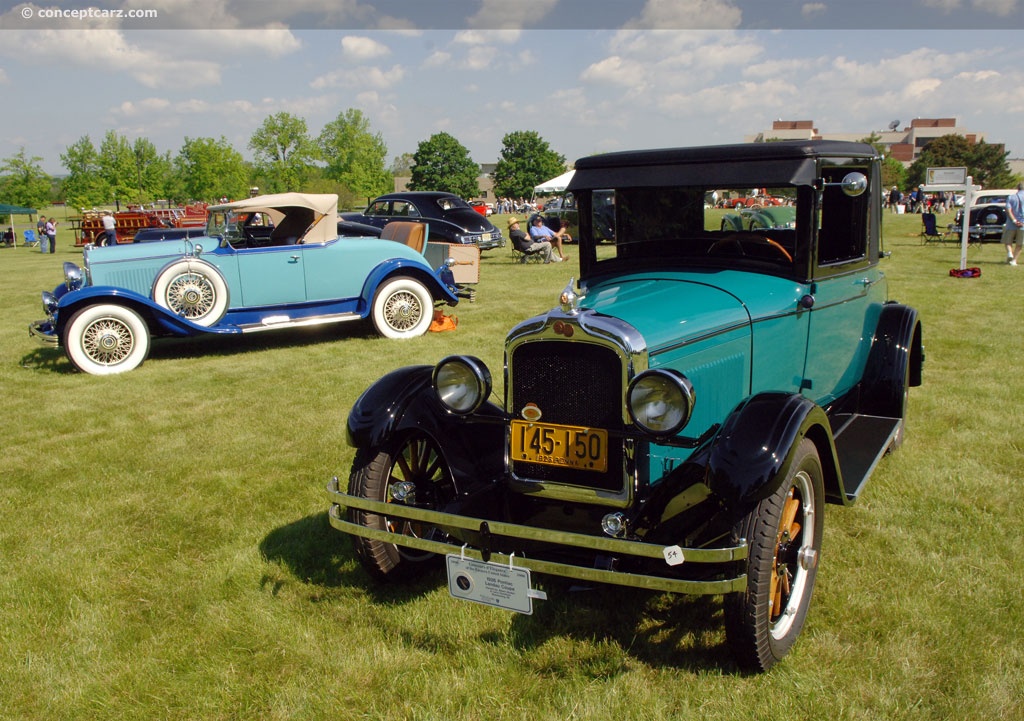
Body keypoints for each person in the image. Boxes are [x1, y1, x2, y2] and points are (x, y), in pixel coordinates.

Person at [1002, 182, 1024, 266]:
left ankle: (1009, 253)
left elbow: (1008, 210)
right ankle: (1014, 261)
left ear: (1017, 188)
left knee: (1008, 241)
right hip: (1023, 224)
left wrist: (1014, 220)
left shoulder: (1011, 197)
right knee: (1019, 244)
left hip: (1011, 223)